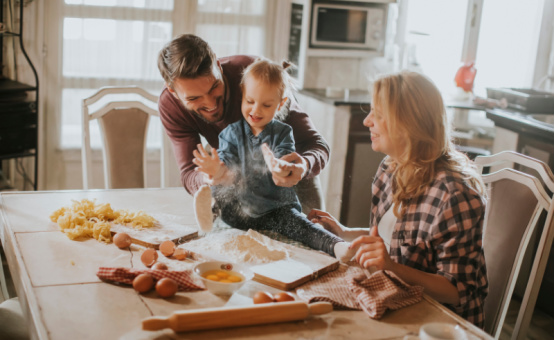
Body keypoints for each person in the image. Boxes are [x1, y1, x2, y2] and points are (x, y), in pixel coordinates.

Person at [307, 71, 488, 327]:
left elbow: (457, 291)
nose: (367, 121)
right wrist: (346, 232)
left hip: (438, 325)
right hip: (397, 298)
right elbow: (397, 239)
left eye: (378, 115)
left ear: (409, 124)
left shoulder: (455, 194)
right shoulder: (390, 167)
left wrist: (392, 268)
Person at [192, 58, 353, 262]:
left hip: (275, 209)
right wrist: (218, 172)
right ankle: (208, 215)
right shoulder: (229, 134)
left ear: (280, 104)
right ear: (242, 94)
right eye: (250, 101)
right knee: (221, 195)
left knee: (300, 225)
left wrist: (281, 168)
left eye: (266, 105)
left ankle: (336, 245)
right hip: (238, 211)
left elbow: (286, 161)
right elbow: (230, 174)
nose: (256, 110)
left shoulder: (283, 133)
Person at [156, 34, 329, 213]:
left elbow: (316, 144)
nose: (210, 104)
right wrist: (210, 177)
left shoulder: (255, 74)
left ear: (218, 66)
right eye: (194, 98)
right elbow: (189, 173)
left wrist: (304, 165)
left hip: (292, 176)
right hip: (234, 183)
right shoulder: (170, 105)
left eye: (214, 87)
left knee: (315, 232)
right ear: (173, 91)